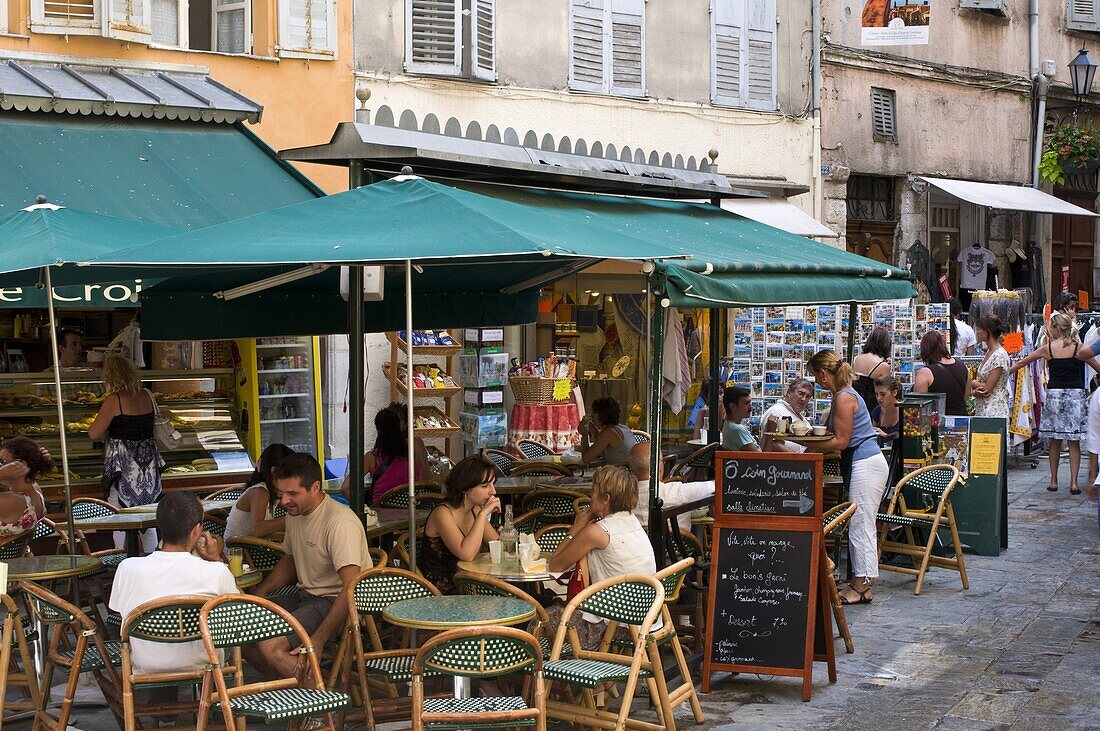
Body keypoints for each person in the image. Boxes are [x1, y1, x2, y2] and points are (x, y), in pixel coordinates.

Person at [249, 453, 372, 680]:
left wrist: (320, 637)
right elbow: (291, 559)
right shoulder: (294, 514)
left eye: (292, 494)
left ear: (315, 487)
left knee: (269, 646)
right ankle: (293, 694)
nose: (284, 501)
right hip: (304, 596)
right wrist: (259, 595)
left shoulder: (339, 523)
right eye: (280, 494)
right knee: (241, 634)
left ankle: (318, 709)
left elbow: (350, 588)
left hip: (334, 602)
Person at [108, 492, 237, 675]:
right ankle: (212, 698)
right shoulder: (216, 572)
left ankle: (160, 698)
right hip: (204, 665)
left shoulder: (127, 568)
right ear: (196, 530)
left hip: (145, 666)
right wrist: (216, 559)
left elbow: (117, 611)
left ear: (159, 525)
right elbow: (241, 610)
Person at [805, 350, 889, 605]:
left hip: (865, 463)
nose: (817, 382)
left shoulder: (843, 397)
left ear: (823, 373)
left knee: (861, 524)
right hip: (864, 462)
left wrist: (803, 442)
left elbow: (841, 442)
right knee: (860, 523)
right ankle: (858, 582)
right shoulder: (844, 394)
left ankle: (863, 586)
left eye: (815, 376)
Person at [546, 465, 656, 651]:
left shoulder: (597, 532)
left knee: (540, 619)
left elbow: (555, 565)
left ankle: (562, 677)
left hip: (612, 626)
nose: (590, 496)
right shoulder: (633, 521)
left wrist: (574, 530)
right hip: (645, 620)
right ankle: (591, 677)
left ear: (606, 499)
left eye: (593, 491)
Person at [1010, 312, 1100, 494]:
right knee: (1073, 442)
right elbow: (1097, 368)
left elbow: (1022, 363)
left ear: (1057, 329)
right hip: (1075, 397)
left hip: (1054, 396)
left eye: (1051, 327)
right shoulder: (1079, 348)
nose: (1049, 330)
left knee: (1054, 441)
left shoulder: (1048, 349)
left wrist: (1004, 372)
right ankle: (1074, 483)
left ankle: (1053, 480)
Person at [88, 353, 162, 554]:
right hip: (148, 469)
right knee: (148, 520)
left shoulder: (114, 400)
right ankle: (152, 559)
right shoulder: (147, 395)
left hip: (125, 470)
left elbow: (93, 433)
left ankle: (123, 561)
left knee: (120, 518)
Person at [421, 455, 500, 595]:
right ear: (465, 488)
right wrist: (483, 515)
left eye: (493, 484)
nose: (493, 491)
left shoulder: (474, 510)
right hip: (443, 594)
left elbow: (498, 546)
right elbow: (467, 554)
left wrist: (506, 532)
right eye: (485, 486)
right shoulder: (442, 514)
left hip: (470, 585)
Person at [340, 406, 426, 504]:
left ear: (378, 430)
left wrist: (364, 509)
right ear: (400, 426)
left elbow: (345, 488)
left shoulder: (371, 457)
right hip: (412, 509)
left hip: (381, 511)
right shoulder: (414, 446)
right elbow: (425, 479)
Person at [224, 443, 294, 541]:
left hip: (253, 551)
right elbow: (256, 529)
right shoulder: (260, 492)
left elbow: (295, 508)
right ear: (274, 471)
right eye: (289, 475)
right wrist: (292, 519)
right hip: (239, 554)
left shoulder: (272, 491)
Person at [912, 330, 971, 416]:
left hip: (938, 422)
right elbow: (967, 394)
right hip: (961, 419)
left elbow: (919, 405)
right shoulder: (962, 366)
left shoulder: (925, 373)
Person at [0, 438, 49, 541]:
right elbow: (29, 479)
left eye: (2, 462)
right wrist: (38, 459)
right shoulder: (36, 492)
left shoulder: (11, 501)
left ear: (22, 465)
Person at [969, 315, 1011, 419]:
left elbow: (988, 387)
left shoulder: (999, 355)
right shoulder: (990, 352)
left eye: (979, 329)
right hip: (984, 407)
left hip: (995, 409)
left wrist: (971, 382)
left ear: (987, 331)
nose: (977, 332)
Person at [760, 379, 814, 453]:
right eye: (801, 393)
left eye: (807, 396)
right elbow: (773, 445)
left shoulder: (798, 415)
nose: (804, 399)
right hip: (788, 463)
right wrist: (802, 459)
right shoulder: (776, 411)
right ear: (789, 392)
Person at [579, 397, 636, 466]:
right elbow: (601, 446)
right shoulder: (622, 428)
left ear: (603, 414)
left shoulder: (608, 433)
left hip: (623, 474)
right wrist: (591, 428)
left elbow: (586, 459)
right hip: (628, 471)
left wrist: (584, 435)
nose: (592, 415)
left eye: (594, 412)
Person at [852, 327, 893, 412]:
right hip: (872, 406)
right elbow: (885, 392)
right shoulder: (883, 366)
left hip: (855, 402)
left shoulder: (856, 359)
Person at [720, 386, 760, 452]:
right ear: (733, 406)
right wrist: (769, 436)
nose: (750, 407)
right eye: (746, 403)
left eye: (750, 403)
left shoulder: (729, 425)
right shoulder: (737, 430)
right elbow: (761, 459)